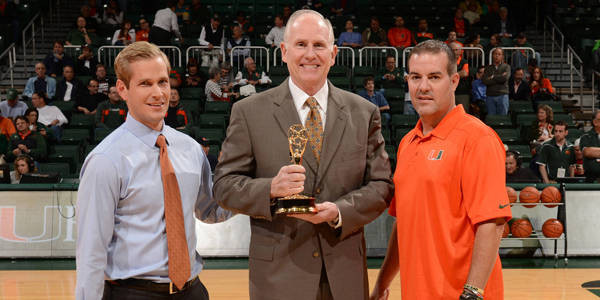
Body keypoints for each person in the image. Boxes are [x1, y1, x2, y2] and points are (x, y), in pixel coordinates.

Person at [213, 10, 393, 299]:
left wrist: (340, 212)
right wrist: (269, 189)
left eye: (319, 45)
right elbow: (224, 186)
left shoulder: (364, 112)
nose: (311, 54)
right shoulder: (249, 112)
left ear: (333, 54)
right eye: (301, 45)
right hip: (278, 278)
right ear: (284, 51)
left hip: (344, 274)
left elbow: (382, 185)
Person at [76, 41, 231, 299]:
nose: (159, 93)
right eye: (145, 84)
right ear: (123, 89)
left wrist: (256, 191)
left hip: (192, 290)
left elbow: (210, 211)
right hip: (132, 292)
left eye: (163, 82)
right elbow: (91, 252)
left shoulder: (190, 149)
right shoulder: (106, 160)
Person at [371, 40, 511, 300]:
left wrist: (472, 294)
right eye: (416, 77)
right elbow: (404, 224)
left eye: (434, 77)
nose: (423, 87)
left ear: (454, 81)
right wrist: (382, 284)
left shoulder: (477, 138)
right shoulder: (407, 143)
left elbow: (491, 225)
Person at [482, 48, 510, 115]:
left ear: (502, 56)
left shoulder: (506, 67)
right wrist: (499, 77)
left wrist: (493, 77)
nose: (497, 56)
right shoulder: (488, 68)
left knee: (502, 120)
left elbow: (504, 78)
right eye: (495, 54)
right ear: (492, 55)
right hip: (490, 96)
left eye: (499, 54)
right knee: (491, 120)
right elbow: (485, 81)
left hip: (502, 95)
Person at [580, 110, 600, 183]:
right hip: (591, 179)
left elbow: (592, 152)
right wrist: (591, 152)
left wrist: (595, 152)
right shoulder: (586, 137)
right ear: (595, 122)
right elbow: (587, 152)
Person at [449, 41, 470, 109]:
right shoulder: (445, 62)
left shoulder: (464, 62)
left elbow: (465, 73)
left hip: (462, 93)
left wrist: (450, 76)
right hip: (449, 92)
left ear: (461, 51)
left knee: (463, 114)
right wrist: (458, 73)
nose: (455, 52)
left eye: (456, 50)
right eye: (452, 50)